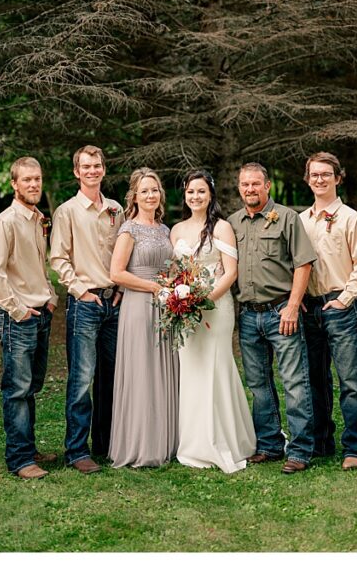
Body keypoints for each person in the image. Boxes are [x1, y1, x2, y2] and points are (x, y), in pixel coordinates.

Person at [229, 163, 317, 474]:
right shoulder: (232, 223)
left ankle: (301, 449)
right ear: (239, 188)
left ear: (268, 186)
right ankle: (268, 444)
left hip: (281, 313)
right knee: (258, 384)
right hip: (248, 317)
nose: (249, 189)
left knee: (295, 382)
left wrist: (293, 306)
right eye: (244, 184)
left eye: (255, 184)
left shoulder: (287, 218)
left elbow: (303, 264)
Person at [171, 169, 256, 473]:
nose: (196, 197)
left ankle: (226, 440)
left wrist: (204, 301)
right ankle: (193, 442)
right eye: (191, 191)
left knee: (216, 367)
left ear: (211, 195)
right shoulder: (177, 230)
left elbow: (230, 272)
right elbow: (175, 273)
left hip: (216, 308)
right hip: (186, 311)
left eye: (201, 191)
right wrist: (180, 300)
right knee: (191, 371)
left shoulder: (221, 228)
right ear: (185, 194)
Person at [50, 145, 124, 474]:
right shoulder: (67, 212)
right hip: (85, 303)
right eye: (85, 166)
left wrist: (120, 288)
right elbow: (58, 259)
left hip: (114, 303)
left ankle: (104, 444)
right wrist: (80, 291)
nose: (92, 170)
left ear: (103, 170)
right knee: (82, 379)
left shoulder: (116, 210)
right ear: (76, 172)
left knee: (110, 378)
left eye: (96, 165)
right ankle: (77, 450)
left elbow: (125, 254)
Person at [299, 153, 357, 470]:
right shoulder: (300, 221)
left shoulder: (351, 219)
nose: (320, 180)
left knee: (350, 381)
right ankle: (320, 441)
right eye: (314, 175)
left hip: (339, 306)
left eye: (326, 174)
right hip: (309, 307)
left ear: (337, 178)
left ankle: (354, 447)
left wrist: (345, 298)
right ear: (307, 179)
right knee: (315, 379)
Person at [0, 157, 58, 479]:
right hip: (20, 319)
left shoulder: (39, 219)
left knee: (30, 387)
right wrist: (17, 310)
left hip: (41, 315)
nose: (33, 185)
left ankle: (28, 449)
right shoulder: (7, 222)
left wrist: (51, 296)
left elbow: (38, 266)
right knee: (17, 389)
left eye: (37, 179)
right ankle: (19, 460)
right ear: (14, 184)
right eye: (26, 180)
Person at [107, 168, 180, 467]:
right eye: (145, 191)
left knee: (164, 370)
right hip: (138, 306)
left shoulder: (165, 230)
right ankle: (140, 444)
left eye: (155, 190)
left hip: (166, 307)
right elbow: (117, 273)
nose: (151, 195)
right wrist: (153, 287)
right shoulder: (128, 230)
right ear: (134, 196)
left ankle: (166, 439)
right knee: (142, 372)